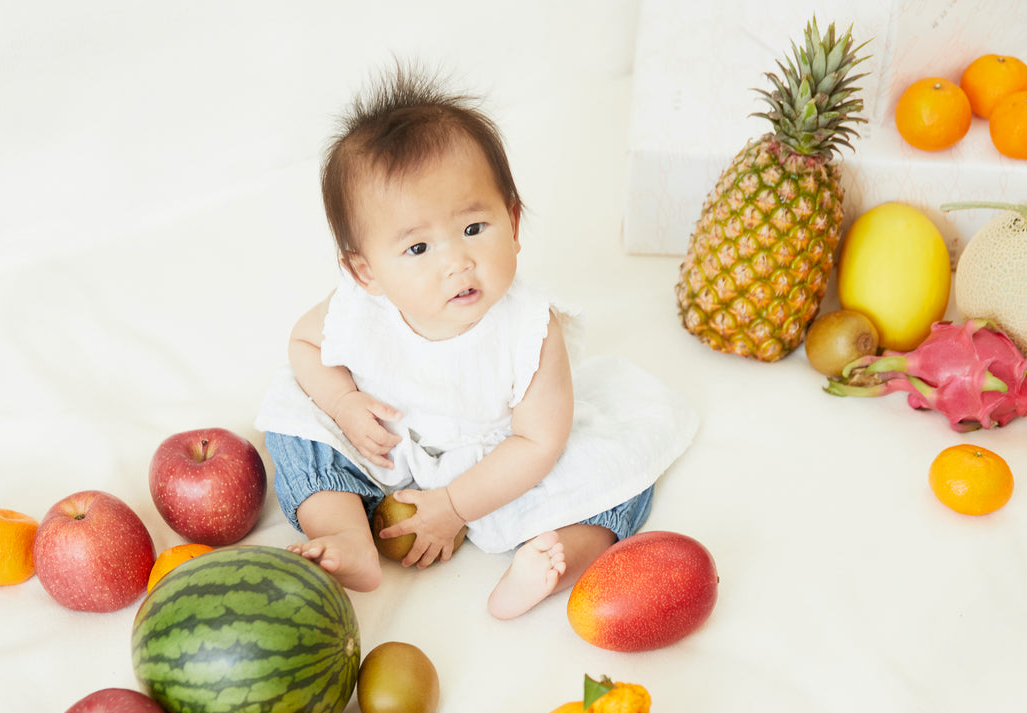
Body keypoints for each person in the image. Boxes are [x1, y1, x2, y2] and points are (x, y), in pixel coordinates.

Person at [256, 65, 697, 619]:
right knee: (295, 416)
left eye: (472, 229)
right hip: (386, 442)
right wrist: (344, 405)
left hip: (498, 464)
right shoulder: (359, 306)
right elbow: (304, 346)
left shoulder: (532, 330)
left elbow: (538, 443)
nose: (456, 262)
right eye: (418, 249)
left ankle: (556, 557)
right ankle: (346, 534)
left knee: (619, 472)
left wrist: (453, 506)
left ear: (512, 223)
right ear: (365, 271)